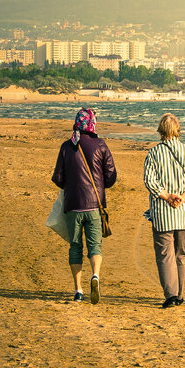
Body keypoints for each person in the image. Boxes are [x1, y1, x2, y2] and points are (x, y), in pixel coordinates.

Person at [51, 107, 117, 303]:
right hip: (95, 205)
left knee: (75, 247)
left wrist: (71, 186)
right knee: (95, 245)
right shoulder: (100, 145)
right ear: (92, 123)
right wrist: (100, 184)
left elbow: (58, 178)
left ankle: (78, 290)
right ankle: (95, 275)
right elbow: (111, 177)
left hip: (73, 205)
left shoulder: (66, 146)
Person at [143, 113, 185, 308]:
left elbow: (150, 181)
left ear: (160, 130)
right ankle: (179, 294)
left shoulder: (153, 154)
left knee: (164, 254)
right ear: (178, 130)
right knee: (181, 254)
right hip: (184, 213)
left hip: (162, 212)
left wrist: (168, 197)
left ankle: (171, 294)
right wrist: (183, 197)